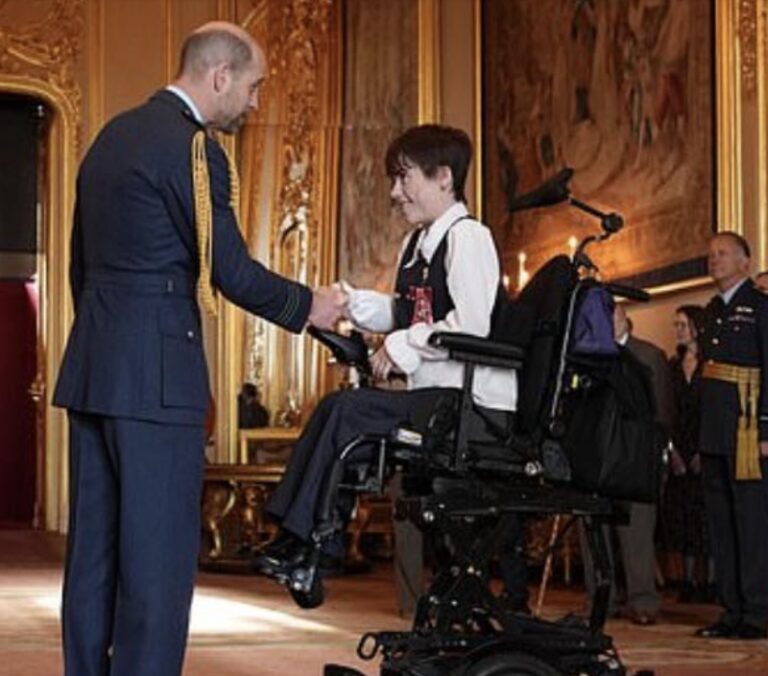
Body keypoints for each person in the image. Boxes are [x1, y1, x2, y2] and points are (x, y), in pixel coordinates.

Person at [52, 22, 345, 676]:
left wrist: (110, 346)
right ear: (219, 76)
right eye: (253, 86)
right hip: (157, 379)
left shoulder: (108, 136)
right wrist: (311, 306)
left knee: (93, 558)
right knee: (155, 565)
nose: (254, 102)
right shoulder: (192, 148)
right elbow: (229, 271)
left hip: (96, 367)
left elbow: (79, 266)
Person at [254, 124, 518, 577]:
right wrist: (349, 301)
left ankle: (314, 541)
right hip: (434, 397)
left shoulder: (468, 237)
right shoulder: (416, 244)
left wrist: (401, 347)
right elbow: (404, 312)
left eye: (404, 178)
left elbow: (471, 325)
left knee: (347, 410)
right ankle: (295, 537)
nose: (395, 192)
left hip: (472, 405)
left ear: (444, 178)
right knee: (333, 410)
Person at [694, 231, 768, 640]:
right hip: (715, 431)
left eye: (722, 253)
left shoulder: (759, 307)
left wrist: (767, 428)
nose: (714, 260)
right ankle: (731, 610)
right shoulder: (710, 312)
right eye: (710, 255)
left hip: (748, 428)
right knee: (721, 523)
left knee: (751, 522)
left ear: (745, 260)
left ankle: (757, 612)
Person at [581, 305, 672, 626]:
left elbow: (662, 412)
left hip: (635, 455)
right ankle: (600, 600)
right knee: (595, 533)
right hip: (598, 457)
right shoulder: (589, 355)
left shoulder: (649, 355)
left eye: (610, 316)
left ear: (623, 319)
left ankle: (643, 601)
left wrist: (656, 458)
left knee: (636, 534)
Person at [660, 305, 713, 603]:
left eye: (682, 324)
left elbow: (714, 410)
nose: (678, 330)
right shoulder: (671, 366)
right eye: (675, 324)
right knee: (680, 517)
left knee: (706, 518)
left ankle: (711, 581)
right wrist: (673, 451)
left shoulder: (711, 364)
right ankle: (687, 582)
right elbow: (666, 411)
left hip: (706, 447)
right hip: (678, 449)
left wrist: (703, 449)